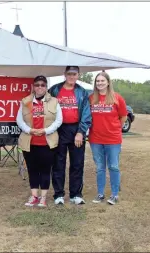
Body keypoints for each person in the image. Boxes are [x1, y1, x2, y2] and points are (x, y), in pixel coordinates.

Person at [16, 75, 63, 207]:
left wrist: (46, 131)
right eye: (37, 85)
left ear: (46, 87)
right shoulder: (25, 101)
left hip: (47, 142)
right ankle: (34, 196)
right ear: (33, 87)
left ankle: (43, 198)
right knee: (32, 169)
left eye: (43, 85)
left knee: (45, 170)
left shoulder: (54, 101)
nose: (40, 87)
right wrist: (29, 130)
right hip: (30, 142)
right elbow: (19, 120)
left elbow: (59, 120)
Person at [48, 66, 92, 205]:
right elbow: (46, 108)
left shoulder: (82, 92)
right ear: (64, 75)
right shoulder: (55, 90)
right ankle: (58, 194)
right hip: (59, 129)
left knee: (77, 163)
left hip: (76, 129)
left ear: (78, 75)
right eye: (69, 74)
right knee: (58, 163)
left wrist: (81, 132)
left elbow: (86, 113)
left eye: (74, 74)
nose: (72, 77)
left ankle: (76, 194)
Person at [88, 72, 127, 205]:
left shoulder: (117, 98)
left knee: (113, 167)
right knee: (100, 167)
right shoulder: (91, 98)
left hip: (113, 140)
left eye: (102, 81)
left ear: (108, 82)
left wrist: (115, 129)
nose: (100, 83)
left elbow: (123, 116)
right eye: (97, 81)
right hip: (96, 139)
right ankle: (100, 194)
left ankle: (115, 194)